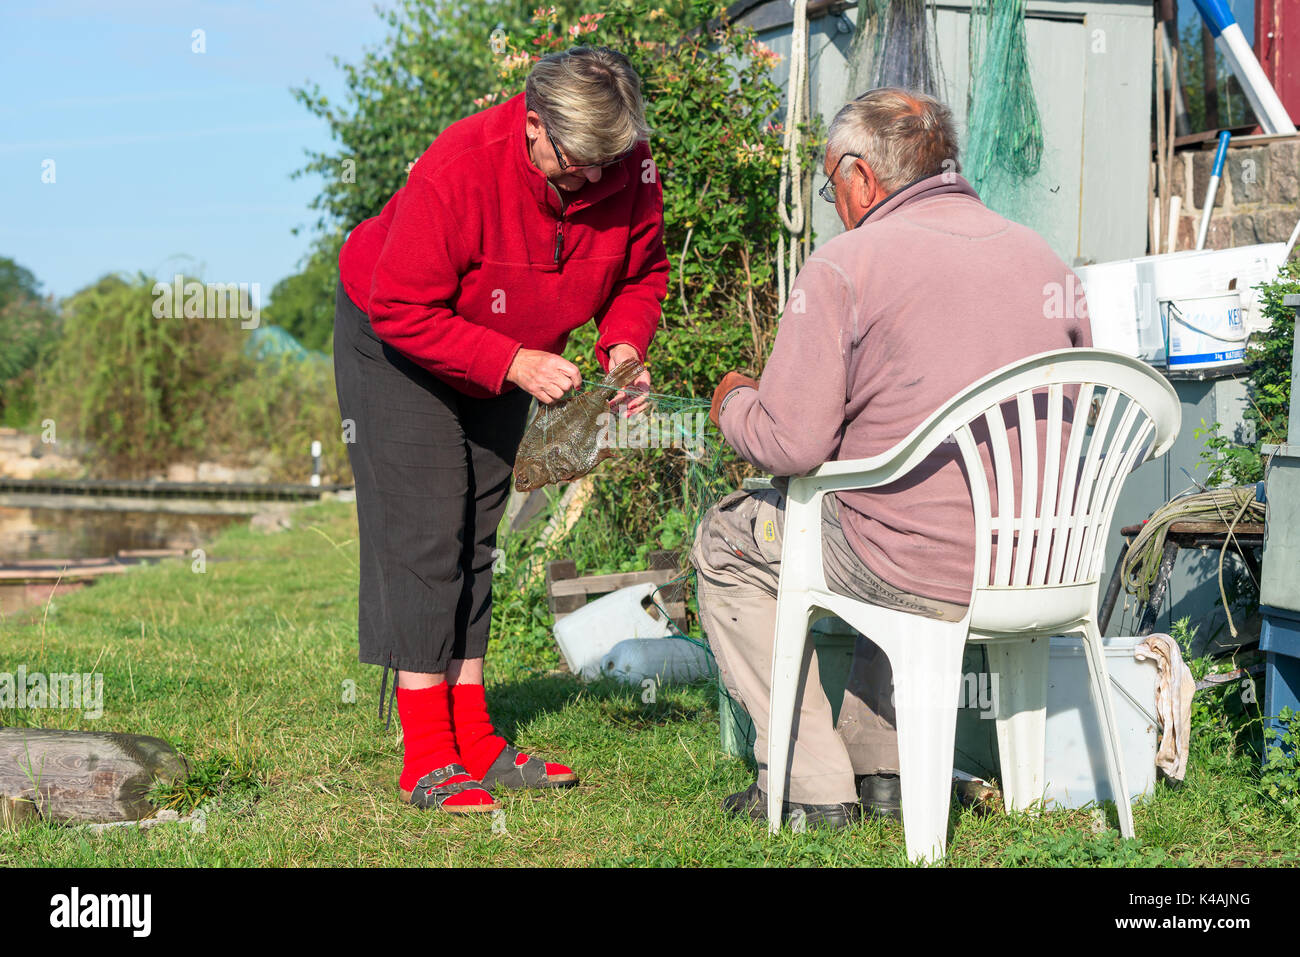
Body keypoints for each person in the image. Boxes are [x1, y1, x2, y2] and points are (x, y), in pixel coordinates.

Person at [692, 88, 1092, 829]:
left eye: (828, 185)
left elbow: (792, 443)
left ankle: (810, 784)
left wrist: (733, 402)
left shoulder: (846, 265)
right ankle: (887, 766)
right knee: (896, 494)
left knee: (730, 537)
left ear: (860, 178)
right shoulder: (1043, 256)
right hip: (1038, 559)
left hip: (913, 564)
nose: (830, 202)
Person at [333, 46, 669, 813]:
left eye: (607, 163)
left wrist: (623, 342)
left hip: (513, 348)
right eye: (577, 162)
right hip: (399, 337)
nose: (592, 180)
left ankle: (476, 735)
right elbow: (400, 305)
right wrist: (512, 361)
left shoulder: (626, 167)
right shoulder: (460, 165)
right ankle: (425, 753)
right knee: (425, 528)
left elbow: (641, 272)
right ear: (533, 123)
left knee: (479, 530)